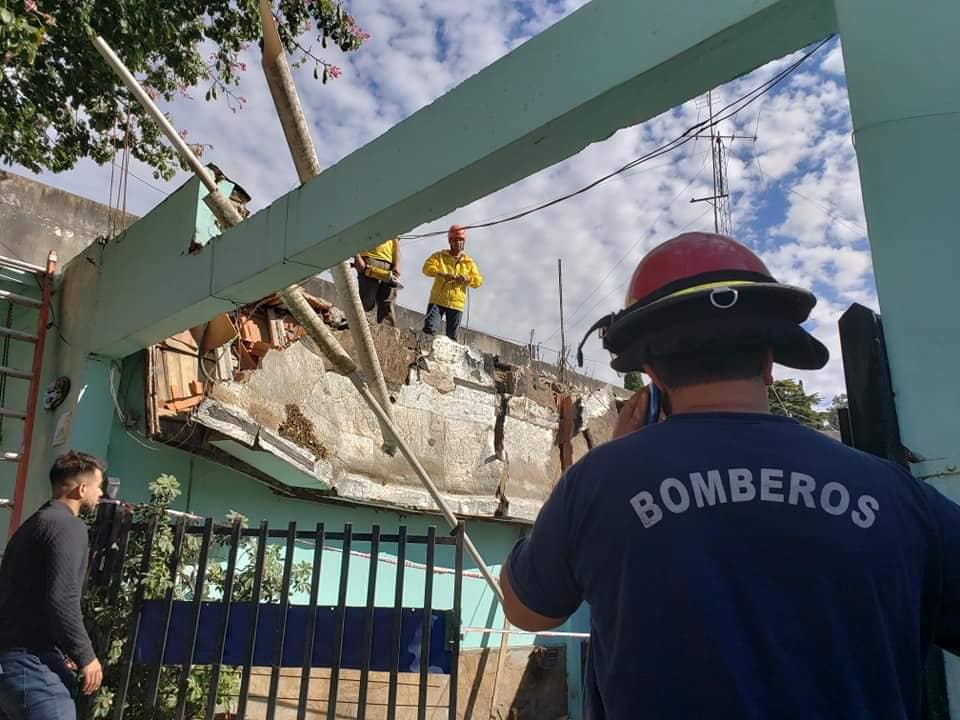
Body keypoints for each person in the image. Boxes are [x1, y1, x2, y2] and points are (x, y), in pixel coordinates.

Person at [499, 231, 960, 720]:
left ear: (652, 373)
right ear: (769, 362)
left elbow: (525, 609)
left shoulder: (598, 484)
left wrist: (607, 469)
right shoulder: (897, 496)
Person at [0, 451, 106, 720]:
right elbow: (62, 599)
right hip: (32, 666)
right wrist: (86, 656)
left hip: (11, 663)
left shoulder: (33, 525)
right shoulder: (69, 527)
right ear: (82, 489)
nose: (101, 493)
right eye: (98, 486)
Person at [421, 224, 483, 341]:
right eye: (455, 240)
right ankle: (422, 353)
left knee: (452, 338)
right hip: (437, 301)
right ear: (450, 241)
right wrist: (442, 274)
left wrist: (467, 279)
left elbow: (478, 281)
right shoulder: (439, 256)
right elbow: (426, 268)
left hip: (456, 304)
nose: (458, 242)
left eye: (460, 239)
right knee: (429, 329)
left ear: (464, 241)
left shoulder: (469, 262)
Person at [354, 237, 400, 326]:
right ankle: (357, 326)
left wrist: (397, 264)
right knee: (366, 301)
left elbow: (396, 242)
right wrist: (357, 257)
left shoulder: (393, 223)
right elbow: (353, 235)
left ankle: (387, 332)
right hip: (369, 259)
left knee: (387, 302)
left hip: (389, 264)